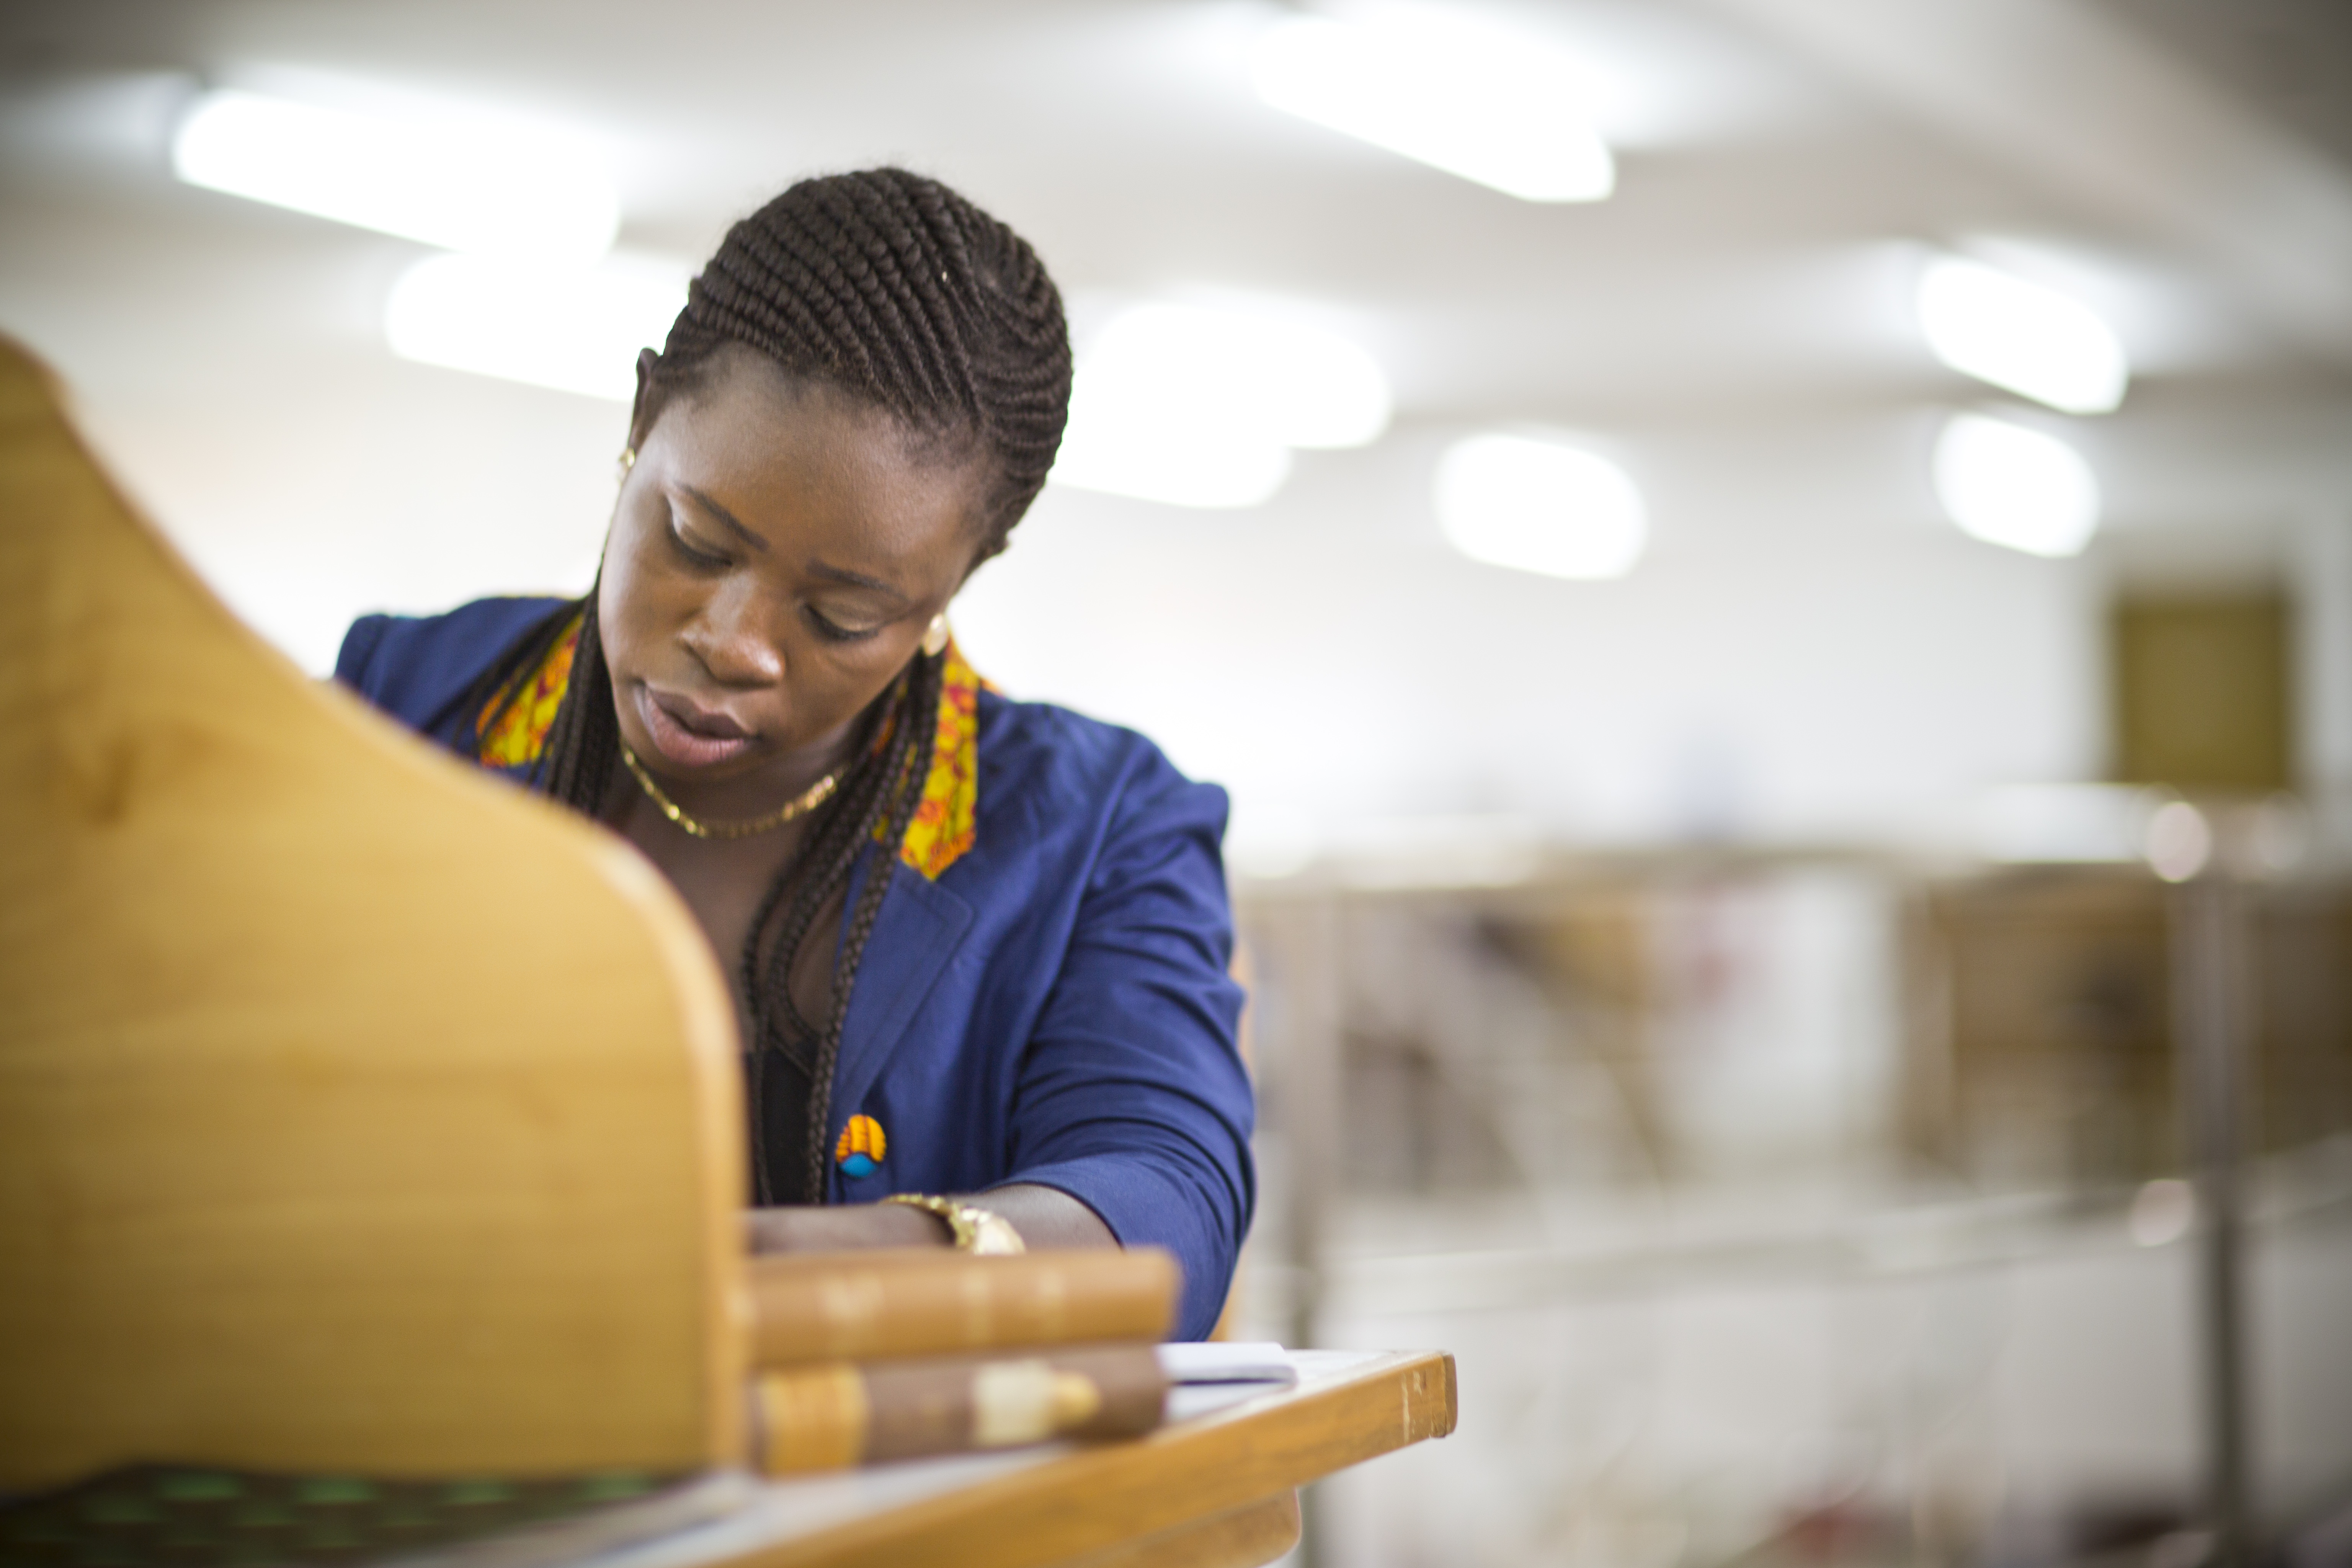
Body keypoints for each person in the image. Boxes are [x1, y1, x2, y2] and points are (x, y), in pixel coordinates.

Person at [334, 169, 1251, 1338]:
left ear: (953, 588)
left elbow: (1166, 1197)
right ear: (638, 426)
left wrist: (828, 1267)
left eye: (841, 617)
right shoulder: (407, 707)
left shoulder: (1095, 831)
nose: (732, 641)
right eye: (694, 539)